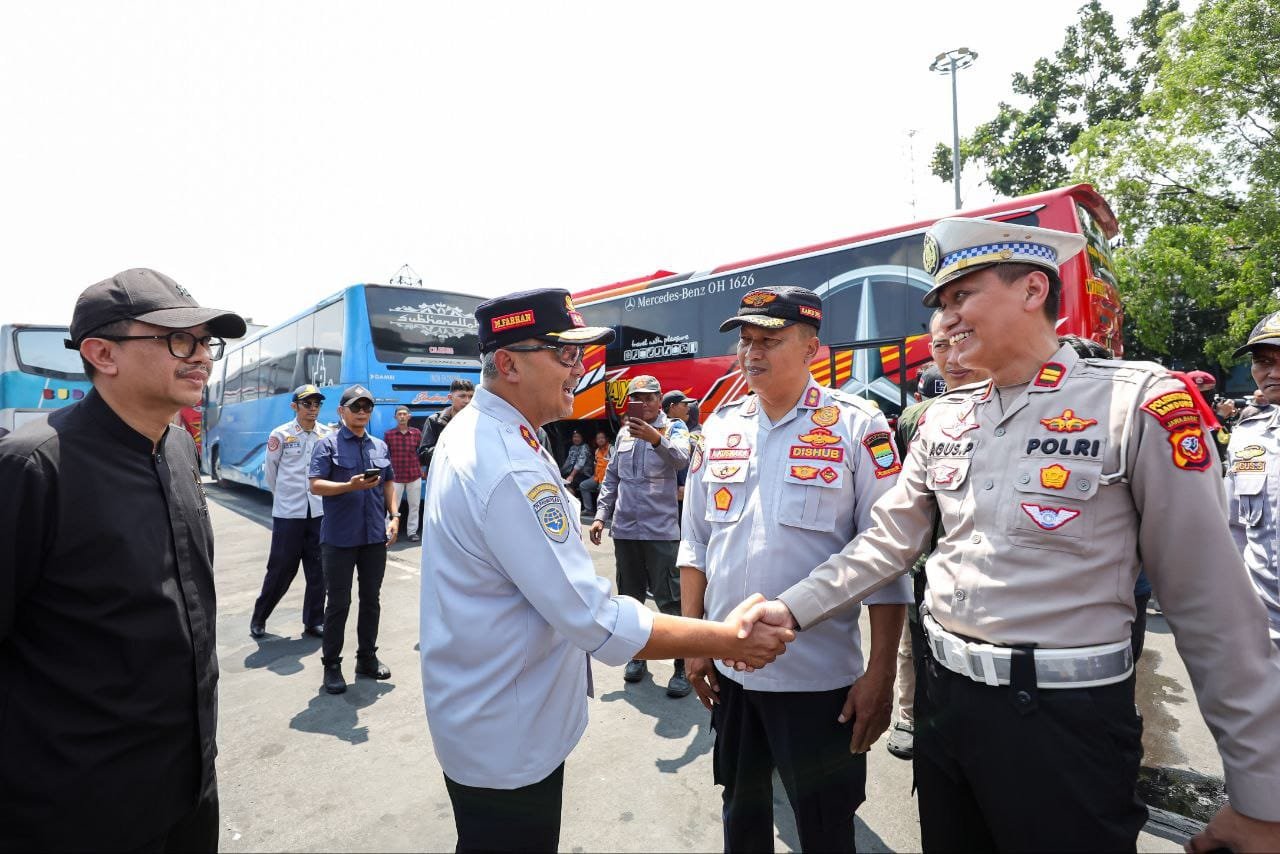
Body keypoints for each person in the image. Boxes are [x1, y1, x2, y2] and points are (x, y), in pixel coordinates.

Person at [735, 217, 1280, 853]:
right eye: (940, 303)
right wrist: (790, 609)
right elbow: (885, 542)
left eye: (961, 295)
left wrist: (1261, 798)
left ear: (1031, 290)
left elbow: (1211, 607)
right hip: (947, 709)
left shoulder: (1139, 405)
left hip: (1062, 725)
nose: (945, 319)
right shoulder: (945, 416)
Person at [417, 288, 796, 852]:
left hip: (493, 710)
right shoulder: (506, 462)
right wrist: (725, 637)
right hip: (507, 731)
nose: (580, 369)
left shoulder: (493, 432)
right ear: (508, 363)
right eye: (565, 356)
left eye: (581, 355)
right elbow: (595, 620)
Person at [0, 268, 245, 851]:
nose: (201, 358)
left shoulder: (180, 446)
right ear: (101, 353)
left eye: (206, 342)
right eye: (178, 340)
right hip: (76, 809)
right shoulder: (32, 468)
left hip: (188, 787)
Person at [678, 286, 910, 852]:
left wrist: (881, 674)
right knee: (743, 812)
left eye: (770, 341)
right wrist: (693, 640)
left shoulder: (858, 427)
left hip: (819, 684)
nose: (751, 353)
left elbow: (889, 559)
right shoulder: (720, 427)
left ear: (811, 349)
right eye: (746, 341)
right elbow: (695, 542)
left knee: (826, 826)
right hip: (733, 676)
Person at [886, 312, 992, 763]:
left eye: (963, 339)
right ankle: (909, 716)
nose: (954, 357)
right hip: (928, 567)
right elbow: (896, 523)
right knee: (915, 646)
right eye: (940, 346)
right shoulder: (929, 423)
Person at [589, 374, 692, 697]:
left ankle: (682, 667)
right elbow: (611, 480)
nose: (644, 403)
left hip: (660, 531)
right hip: (625, 530)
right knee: (630, 600)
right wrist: (600, 516)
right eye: (638, 397)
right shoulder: (622, 434)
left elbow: (682, 459)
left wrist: (655, 439)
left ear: (660, 399)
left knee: (670, 600)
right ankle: (638, 658)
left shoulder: (674, 428)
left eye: (649, 397)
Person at [309, 384, 398, 695]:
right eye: (355, 407)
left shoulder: (379, 446)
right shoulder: (327, 445)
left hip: (374, 535)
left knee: (371, 600)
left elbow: (388, 483)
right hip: (339, 538)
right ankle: (331, 666)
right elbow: (316, 485)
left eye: (367, 408)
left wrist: (395, 516)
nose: (362, 412)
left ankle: (367, 658)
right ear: (341, 411)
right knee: (338, 603)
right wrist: (348, 486)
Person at [251, 383, 333, 639]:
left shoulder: (326, 434)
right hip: (289, 514)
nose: (313, 409)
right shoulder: (281, 434)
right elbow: (271, 473)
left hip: (318, 512)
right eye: (307, 404)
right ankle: (260, 617)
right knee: (281, 569)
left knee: (319, 569)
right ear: (294, 406)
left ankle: (314, 621)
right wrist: (286, 498)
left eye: (317, 403)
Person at [1225, 311, 1280, 651]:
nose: (1272, 373)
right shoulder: (1248, 439)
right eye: (1263, 362)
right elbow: (1235, 529)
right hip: (1265, 633)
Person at [417, 378, 474, 476]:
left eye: (471, 397)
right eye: (462, 396)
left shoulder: (478, 421)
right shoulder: (434, 420)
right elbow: (423, 456)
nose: (467, 401)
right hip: (441, 479)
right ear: (450, 397)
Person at [385, 404, 424, 542]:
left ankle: (412, 532)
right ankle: (389, 532)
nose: (402, 417)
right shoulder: (389, 435)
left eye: (404, 414)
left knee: (415, 506)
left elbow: (421, 453)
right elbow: (386, 455)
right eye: (399, 414)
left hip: (414, 475)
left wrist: (422, 469)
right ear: (395, 417)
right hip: (396, 477)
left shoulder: (417, 433)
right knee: (393, 507)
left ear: (409, 416)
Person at [662, 389, 697, 519]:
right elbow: (682, 456)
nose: (688, 408)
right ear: (673, 407)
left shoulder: (658, 426)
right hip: (679, 491)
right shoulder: (678, 425)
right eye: (684, 405)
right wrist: (682, 484)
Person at [577, 429, 612, 516]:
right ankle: (589, 510)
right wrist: (594, 477)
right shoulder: (597, 451)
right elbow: (595, 465)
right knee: (583, 485)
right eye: (598, 438)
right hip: (597, 477)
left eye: (602, 438)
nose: (600, 440)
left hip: (608, 478)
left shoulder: (611, 449)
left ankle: (605, 512)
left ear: (606, 439)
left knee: (601, 488)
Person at [560, 428, 591, 496]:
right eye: (574, 436)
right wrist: (560, 472)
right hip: (574, 473)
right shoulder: (572, 448)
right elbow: (568, 463)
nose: (576, 439)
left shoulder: (585, 447)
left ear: (582, 438)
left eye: (578, 437)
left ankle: (571, 505)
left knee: (570, 483)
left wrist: (571, 475)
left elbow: (580, 464)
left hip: (585, 474)